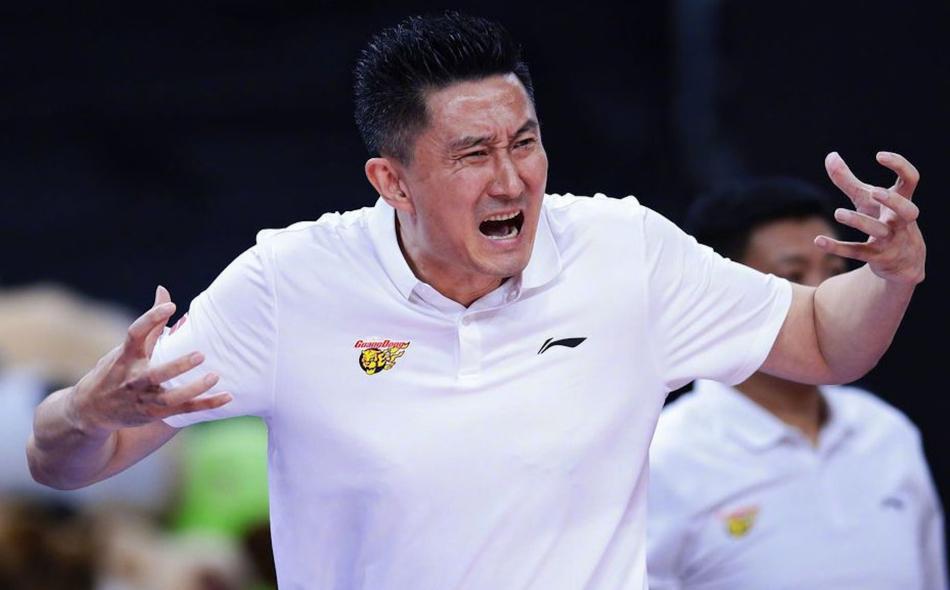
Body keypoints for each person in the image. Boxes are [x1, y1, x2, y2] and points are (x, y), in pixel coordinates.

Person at [27, 13, 926, 589]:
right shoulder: (287, 283)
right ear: (392, 181)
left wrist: (887, 276)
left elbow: (824, 343)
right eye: (472, 155)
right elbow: (70, 463)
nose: (511, 179)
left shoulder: (625, 250)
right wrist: (79, 413)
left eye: (524, 142)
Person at [646, 179, 946, 590]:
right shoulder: (663, 455)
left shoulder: (887, 432)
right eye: (793, 275)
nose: (826, 293)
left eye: (836, 273)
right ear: (721, 294)